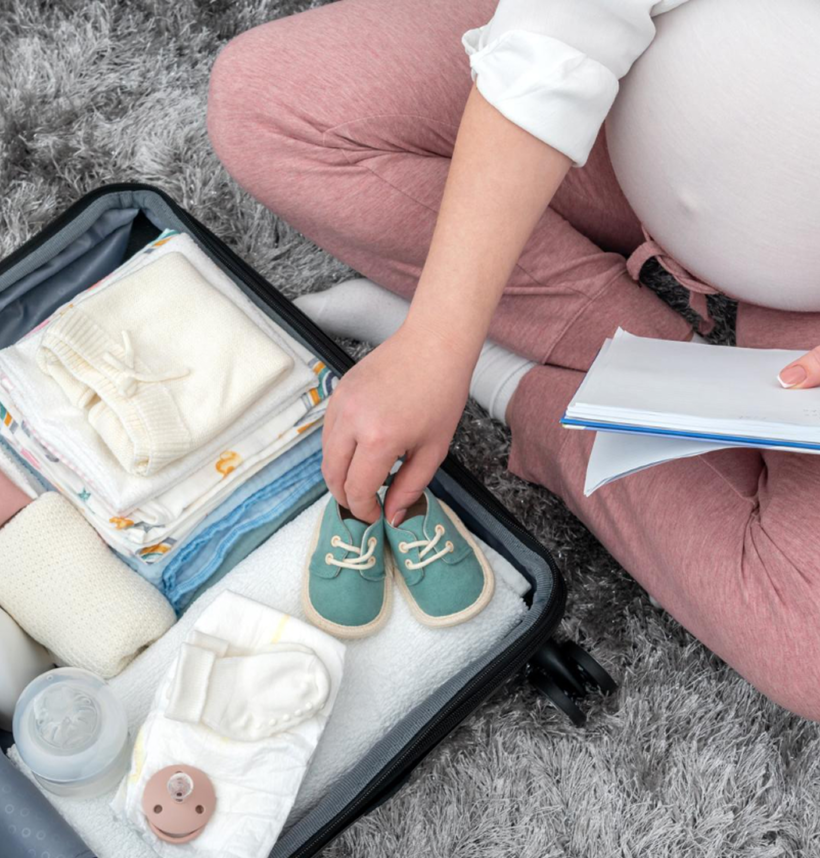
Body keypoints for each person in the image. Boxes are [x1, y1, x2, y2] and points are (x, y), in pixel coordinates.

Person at [207, 0, 820, 718]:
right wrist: (440, 336)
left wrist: (456, 352)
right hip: (625, 111)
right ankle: (630, 372)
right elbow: (563, 28)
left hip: (801, 309)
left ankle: (509, 376)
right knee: (269, 103)